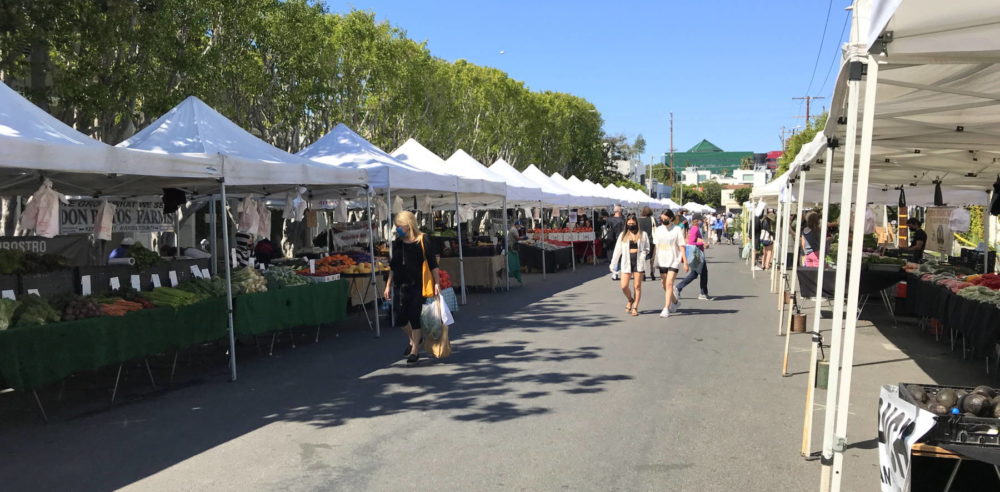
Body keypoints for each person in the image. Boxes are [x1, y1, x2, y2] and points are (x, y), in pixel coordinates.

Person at [384, 211, 442, 365]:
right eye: (397, 227)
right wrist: (388, 285)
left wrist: (437, 283)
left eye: (400, 226)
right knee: (400, 318)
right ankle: (414, 339)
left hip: (419, 284)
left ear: (409, 225)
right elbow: (393, 266)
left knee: (415, 315)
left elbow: (433, 264)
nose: (398, 229)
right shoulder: (397, 243)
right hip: (401, 284)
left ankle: (415, 350)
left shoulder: (423, 240)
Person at [609, 214, 650, 316]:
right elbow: (617, 251)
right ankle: (630, 299)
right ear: (626, 223)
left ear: (636, 222)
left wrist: (643, 254)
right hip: (627, 261)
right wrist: (613, 264)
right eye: (629, 222)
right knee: (624, 286)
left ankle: (635, 307)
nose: (631, 224)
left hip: (638, 261)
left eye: (633, 222)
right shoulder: (623, 235)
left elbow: (647, 248)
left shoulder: (643, 234)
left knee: (637, 286)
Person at [653, 209, 689, 318]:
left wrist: (685, 262)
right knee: (664, 285)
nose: (663, 220)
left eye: (665, 218)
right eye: (661, 218)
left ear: (671, 218)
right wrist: (653, 262)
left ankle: (666, 308)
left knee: (669, 284)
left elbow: (682, 246)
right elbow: (656, 246)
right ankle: (675, 301)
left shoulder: (677, 229)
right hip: (662, 259)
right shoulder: (658, 230)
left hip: (674, 260)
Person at [676, 213, 712, 300]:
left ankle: (703, 292)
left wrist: (702, 243)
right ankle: (679, 288)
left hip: (697, 254)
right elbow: (691, 243)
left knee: (698, 273)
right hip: (696, 254)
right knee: (699, 273)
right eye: (701, 220)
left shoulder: (694, 228)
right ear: (697, 220)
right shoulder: (695, 229)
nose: (702, 221)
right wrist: (702, 243)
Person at [637, 206, 656, 281]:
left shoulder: (638, 220)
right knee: (652, 258)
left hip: (642, 240)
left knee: (642, 257)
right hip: (651, 240)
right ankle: (652, 272)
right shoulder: (652, 219)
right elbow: (656, 228)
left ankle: (643, 273)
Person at [603, 205, 625, 269]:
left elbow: (606, 228)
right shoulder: (623, 220)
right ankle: (618, 269)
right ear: (619, 211)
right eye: (621, 210)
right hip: (621, 238)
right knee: (620, 255)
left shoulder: (609, 219)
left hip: (611, 239)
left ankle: (615, 271)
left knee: (614, 255)